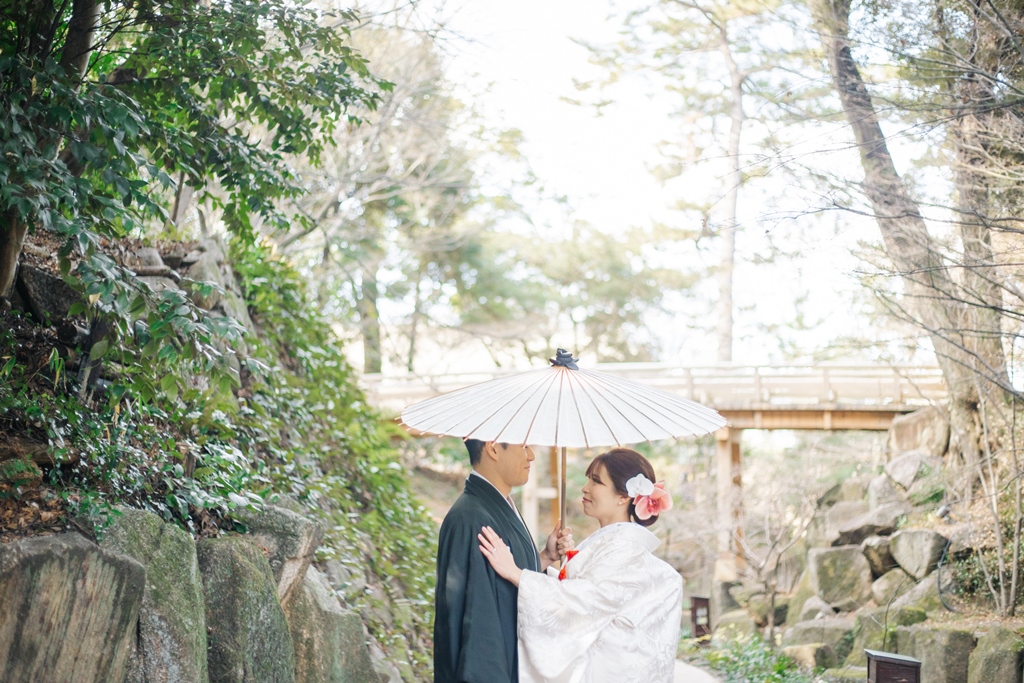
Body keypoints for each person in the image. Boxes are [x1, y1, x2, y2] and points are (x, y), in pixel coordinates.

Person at [478, 447, 682, 683]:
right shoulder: (609, 541)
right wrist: (547, 556)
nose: (585, 487)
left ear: (624, 496)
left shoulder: (624, 549)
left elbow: (583, 602)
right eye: (588, 479)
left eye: (596, 481)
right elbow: (581, 595)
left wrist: (516, 574)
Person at [434, 439, 573, 683]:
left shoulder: (493, 506)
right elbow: (479, 622)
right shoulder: (472, 519)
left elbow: (504, 581)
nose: (531, 456)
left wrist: (545, 557)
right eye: (525, 446)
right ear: (494, 447)